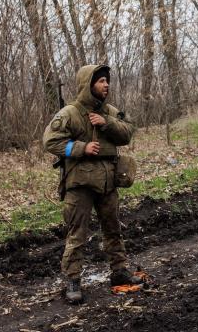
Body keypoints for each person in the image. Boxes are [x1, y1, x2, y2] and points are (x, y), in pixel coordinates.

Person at [43, 64, 142, 303]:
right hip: (81, 185)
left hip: (108, 182)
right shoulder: (70, 113)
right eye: (100, 81)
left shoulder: (109, 111)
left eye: (107, 81)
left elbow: (128, 132)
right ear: (88, 85)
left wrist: (106, 122)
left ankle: (119, 272)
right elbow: (50, 141)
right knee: (77, 234)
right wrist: (80, 148)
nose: (106, 85)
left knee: (113, 230)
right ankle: (72, 281)